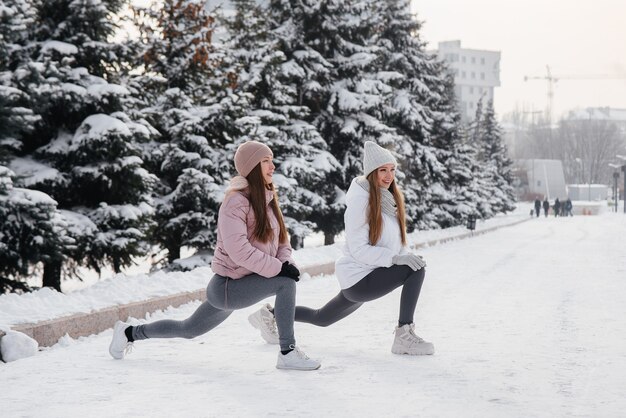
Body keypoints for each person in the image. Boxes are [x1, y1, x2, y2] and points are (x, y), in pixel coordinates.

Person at [108, 140, 320, 371]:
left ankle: (129, 333)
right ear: (251, 167)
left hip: (243, 282)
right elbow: (238, 250)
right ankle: (287, 352)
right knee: (285, 284)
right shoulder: (235, 202)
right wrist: (279, 270)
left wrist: (287, 262)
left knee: (188, 329)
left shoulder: (267, 201)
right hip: (227, 287)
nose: (273, 166)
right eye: (266, 161)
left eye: (272, 160)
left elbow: (282, 242)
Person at [248, 141, 433, 356]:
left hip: (367, 275)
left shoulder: (388, 201)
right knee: (416, 271)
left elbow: (395, 244)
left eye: (392, 170)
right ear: (372, 172)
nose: (388, 175)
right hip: (360, 279)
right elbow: (358, 249)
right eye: (382, 170)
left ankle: (269, 315)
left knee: (322, 318)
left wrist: (404, 256)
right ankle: (404, 335)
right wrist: (395, 260)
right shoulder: (361, 202)